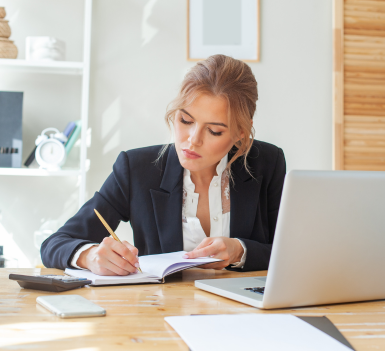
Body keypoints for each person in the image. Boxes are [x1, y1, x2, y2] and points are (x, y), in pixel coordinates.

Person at [41, 54, 286, 275]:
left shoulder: (268, 164)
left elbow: (289, 253)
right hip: (161, 313)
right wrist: (90, 255)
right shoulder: (136, 169)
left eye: (214, 131)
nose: (193, 140)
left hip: (246, 317)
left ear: (240, 133)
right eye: (185, 120)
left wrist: (240, 251)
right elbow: (55, 243)